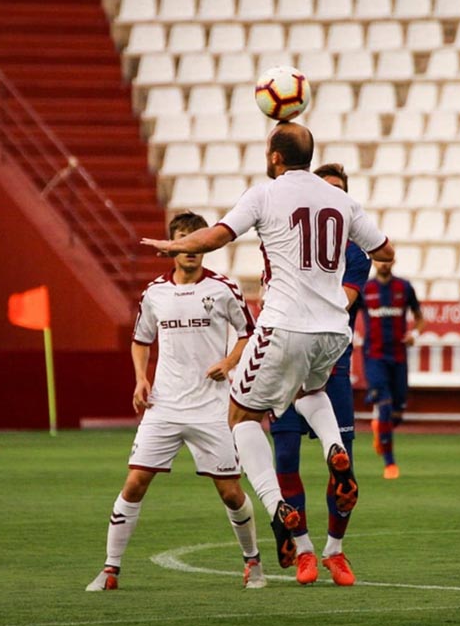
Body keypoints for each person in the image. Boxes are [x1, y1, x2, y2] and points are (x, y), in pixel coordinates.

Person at [141, 121, 393, 571]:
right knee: (308, 392)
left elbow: (218, 236)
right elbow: (386, 252)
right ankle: (334, 449)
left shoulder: (265, 193)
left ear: (276, 157)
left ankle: (278, 506)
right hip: (334, 330)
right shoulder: (342, 200)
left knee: (240, 415)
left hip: (284, 325)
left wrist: (171, 245)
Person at [87, 212, 267, 591]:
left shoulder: (222, 289)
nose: (189, 247)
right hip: (164, 406)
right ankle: (109, 570)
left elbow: (247, 334)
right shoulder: (155, 294)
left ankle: (253, 563)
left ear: (203, 244)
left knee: (231, 492)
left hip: (212, 407)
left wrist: (229, 362)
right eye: (182, 239)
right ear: (172, 247)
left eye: (195, 239)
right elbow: (140, 340)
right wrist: (140, 379)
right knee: (134, 482)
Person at [270, 163, 370, 586]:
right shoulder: (287, 243)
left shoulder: (354, 254)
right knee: (287, 460)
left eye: (338, 192)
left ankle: (336, 550)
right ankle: (306, 550)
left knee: (341, 470)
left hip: (332, 363)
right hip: (287, 362)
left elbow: (341, 303)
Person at [359, 257, 425, 479]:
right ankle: (390, 464)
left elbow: (419, 317)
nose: (384, 264)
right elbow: (346, 313)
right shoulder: (365, 288)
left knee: (396, 413)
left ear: (394, 262)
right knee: (385, 405)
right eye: (379, 260)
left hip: (398, 356)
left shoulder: (404, 287)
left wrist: (414, 334)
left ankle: (381, 427)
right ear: (374, 263)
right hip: (374, 356)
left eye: (387, 260)